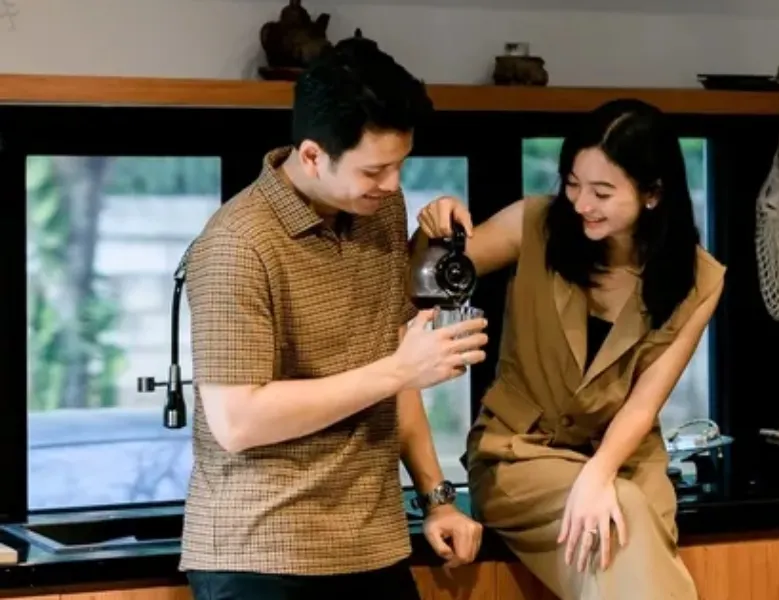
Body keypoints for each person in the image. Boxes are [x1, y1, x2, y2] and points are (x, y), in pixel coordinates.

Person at [180, 39, 488, 600]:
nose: (393, 183)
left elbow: (392, 360)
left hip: (374, 542)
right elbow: (238, 421)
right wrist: (399, 371)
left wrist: (438, 499)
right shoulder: (236, 245)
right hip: (263, 552)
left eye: (401, 164)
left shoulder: (379, 211)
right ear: (314, 155)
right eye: (376, 169)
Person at [415, 98, 725, 599]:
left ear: (652, 194)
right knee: (619, 526)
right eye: (573, 183)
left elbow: (645, 404)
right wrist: (432, 230)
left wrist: (597, 475)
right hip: (517, 456)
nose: (581, 203)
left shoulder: (699, 279)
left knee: (621, 517)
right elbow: (429, 281)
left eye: (602, 191)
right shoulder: (535, 223)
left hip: (624, 462)